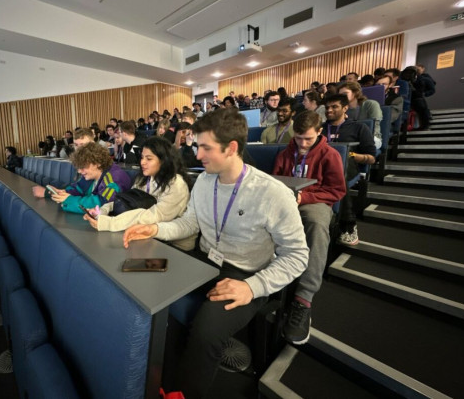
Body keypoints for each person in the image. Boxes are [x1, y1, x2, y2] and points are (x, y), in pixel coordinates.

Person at [123, 108, 308, 399]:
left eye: (205, 148)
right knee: (140, 272)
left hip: (246, 274)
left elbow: (297, 256)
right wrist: (155, 229)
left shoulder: (273, 194)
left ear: (231, 148)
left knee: (207, 333)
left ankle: (184, 393)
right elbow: (191, 222)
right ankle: (160, 381)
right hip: (205, 261)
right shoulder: (205, 181)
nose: (197, 155)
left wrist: (252, 287)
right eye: (197, 146)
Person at [272, 111, 346, 344]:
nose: (303, 144)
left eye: (308, 139)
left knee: (315, 223)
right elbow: (276, 181)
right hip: (288, 200)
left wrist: (304, 197)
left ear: (319, 133)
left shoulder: (330, 155)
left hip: (315, 202)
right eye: (298, 138)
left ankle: (303, 298)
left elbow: (336, 191)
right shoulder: (286, 153)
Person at [84, 137, 195, 249]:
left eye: (149, 159)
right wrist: (102, 211)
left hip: (175, 246)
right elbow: (125, 200)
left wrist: (109, 223)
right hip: (147, 236)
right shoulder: (143, 179)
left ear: (164, 160)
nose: (142, 162)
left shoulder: (176, 184)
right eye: (142, 157)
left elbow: (152, 216)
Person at [322, 94, 376, 245]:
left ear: (345, 108)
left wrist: (350, 154)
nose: (329, 110)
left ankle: (349, 224)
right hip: (321, 166)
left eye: (334, 107)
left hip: (348, 166)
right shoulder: (319, 128)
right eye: (327, 107)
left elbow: (372, 157)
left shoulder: (359, 127)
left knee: (338, 166)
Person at [50, 142, 131, 213]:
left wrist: (69, 200)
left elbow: (103, 203)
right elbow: (78, 188)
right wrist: (63, 193)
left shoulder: (114, 178)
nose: (79, 171)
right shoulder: (92, 175)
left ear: (97, 163)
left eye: (83, 167)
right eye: (78, 167)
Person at [338, 81, 383, 146]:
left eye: (345, 94)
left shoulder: (371, 104)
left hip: (371, 137)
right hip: (350, 138)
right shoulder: (342, 109)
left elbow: (375, 126)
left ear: (355, 93)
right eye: (340, 95)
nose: (342, 97)